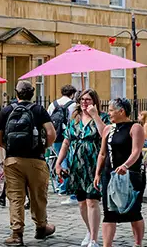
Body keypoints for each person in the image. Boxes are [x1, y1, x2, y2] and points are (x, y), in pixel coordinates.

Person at [0, 81, 56, 246]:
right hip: (36, 159)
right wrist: (43, 147)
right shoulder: (39, 110)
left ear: (16, 93)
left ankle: (16, 233)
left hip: (13, 160)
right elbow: (51, 133)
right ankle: (41, 227)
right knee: (38, 195)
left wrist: (7, 147)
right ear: (32, 93)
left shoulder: (7, 110)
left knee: (15, 197)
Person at [54, 89, 109, 247]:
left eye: (88, 99)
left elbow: (104, 134)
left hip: (94, 165)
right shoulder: (75, 119)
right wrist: (59, 163)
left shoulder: (102, 117)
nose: (85, 102)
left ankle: (94, 239)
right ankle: (89, 230)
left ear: (95, 101)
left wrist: (95, 116)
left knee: (92, 201)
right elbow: (66, 142)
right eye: (82, 99)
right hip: (76, 165)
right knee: (81, 203)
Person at [95, 98, 146, 247]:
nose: (109, 113)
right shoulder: (108, 129)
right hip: (109, 174)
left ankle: (138, 243)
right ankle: (107, 245)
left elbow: (136, 151)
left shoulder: (135, 127)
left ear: (121, 111)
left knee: (133, 211)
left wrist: (126, 165)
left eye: (111, 110)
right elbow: (102, 154)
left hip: (131, 175)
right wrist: (98, 173)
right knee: (109, 212)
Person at [47, 85, 78, 205]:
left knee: (61, 158)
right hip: (68, 135)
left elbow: (48, 119)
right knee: (68, 160)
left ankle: (61, 185)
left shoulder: (53, 104)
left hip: (56, 135)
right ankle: (65, 186)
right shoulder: (73, 105)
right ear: (72, 94)